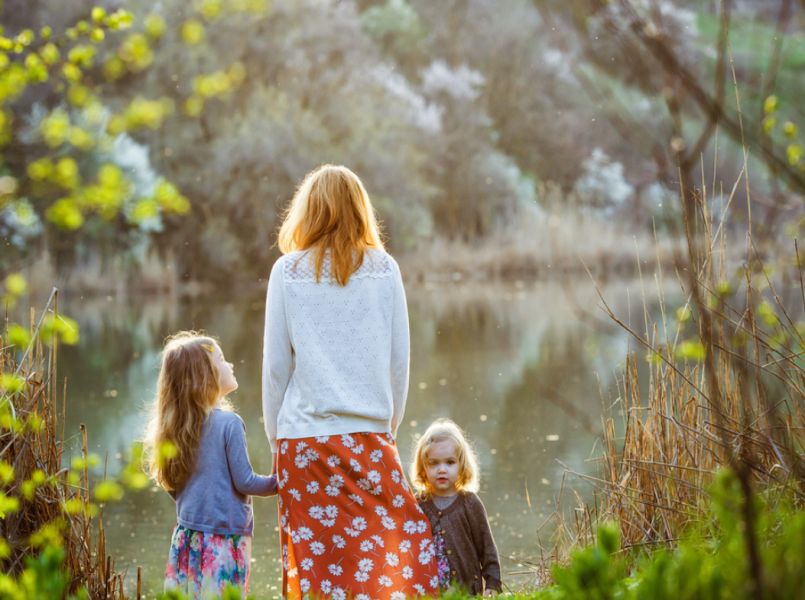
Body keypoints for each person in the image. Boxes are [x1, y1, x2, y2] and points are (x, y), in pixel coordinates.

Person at [262, 164, 438, 599]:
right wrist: (388, 425)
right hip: (368, 436)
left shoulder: (287, 271)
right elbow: (399, 363)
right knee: (396, 557)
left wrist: (276, 439)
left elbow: (275, 369)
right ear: (361, 209)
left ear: (309, 210)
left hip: (302, 443)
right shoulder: (385, 269)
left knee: (319, 570)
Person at [145, 331, 277, 599]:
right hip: (224, 541)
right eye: (222, 360)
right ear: (205, 376)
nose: (231, 365)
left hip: (187, 536)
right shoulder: (229, 424)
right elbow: (245, 482)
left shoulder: (175, 427)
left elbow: (171, 482)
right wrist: (279, 482)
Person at [410, 418, 502, 595]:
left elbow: (487, 548)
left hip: (467, 592)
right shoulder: (418, 504)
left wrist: (492, 583)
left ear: (461, 465)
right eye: (434, 463)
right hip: (430, 593)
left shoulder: (470, 503)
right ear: (423, 467)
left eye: (450, 462)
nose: (442, 469)